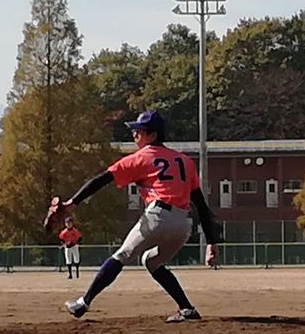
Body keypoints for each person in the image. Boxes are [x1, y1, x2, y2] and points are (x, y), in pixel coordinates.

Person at [56, 110, 218, 322]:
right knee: (152, 261)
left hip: (158, 216)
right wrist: (211, 241)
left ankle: (82, 303)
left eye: (138, 132)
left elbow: (101, 179)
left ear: (152, 135)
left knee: (122, 255)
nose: (134, 136)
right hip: (182, 224)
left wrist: (72, 203)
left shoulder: (142, 158)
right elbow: (201, 205)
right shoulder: (185, 161)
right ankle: (187, 309)